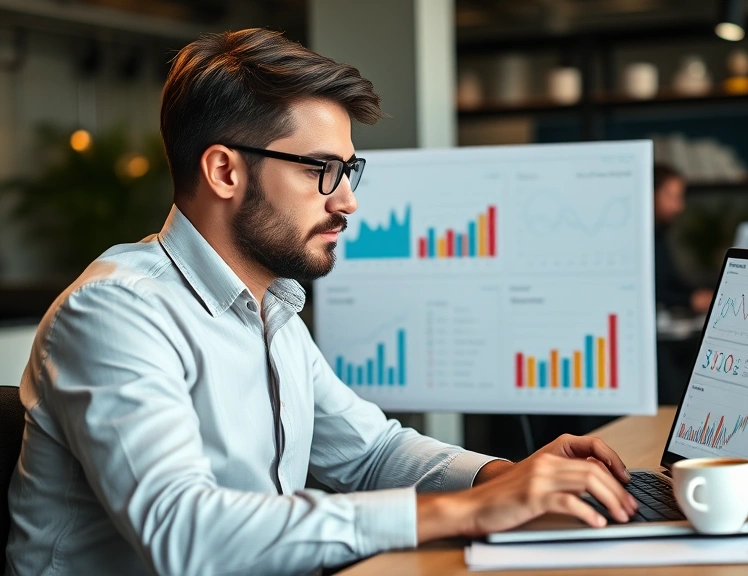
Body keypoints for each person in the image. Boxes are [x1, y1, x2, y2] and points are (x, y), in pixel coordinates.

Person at [4, 29, 638, 576]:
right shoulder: (117, 311)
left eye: (348, 171)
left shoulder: (271, 306)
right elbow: (183, 533)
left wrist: (501, 476)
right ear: (225, 171)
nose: (347, 202)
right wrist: (466, 512)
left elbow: (369, 453)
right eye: (319, 171)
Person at [653, 163, 713, 315]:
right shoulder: (641, 240)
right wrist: (689, 299)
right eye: (673, 197)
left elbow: (670, 281)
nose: (680, 206)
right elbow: (653, 291)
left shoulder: (660, 234)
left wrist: (696, 295)